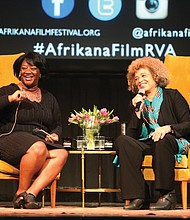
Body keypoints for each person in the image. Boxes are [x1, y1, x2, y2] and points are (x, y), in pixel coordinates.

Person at [115, 56, 190, 210]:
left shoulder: (172, 96)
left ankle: (167, 195)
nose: (139, 80)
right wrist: (137, 113)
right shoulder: (137, 102)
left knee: (161, 139)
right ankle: (139, 196)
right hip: (149, 141)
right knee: (123, 142)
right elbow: (131, 136)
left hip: (173, 140)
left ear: (156, 77)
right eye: (136, 78)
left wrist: (168, 128)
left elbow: (188, 123)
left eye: (144, 76)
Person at [0, 52, 68, 209]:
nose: (27, 71)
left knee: (61, 153)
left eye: (33, 68)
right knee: (38, 147)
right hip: (8, 138)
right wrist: (10, 99)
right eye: (24, 68)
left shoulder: (49, 98)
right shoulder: (8, 90)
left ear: (40, 72)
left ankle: (31, 194)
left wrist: (55, 134)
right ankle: (20, 193)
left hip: (38, 142)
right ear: (19, 72)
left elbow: (57, 124)